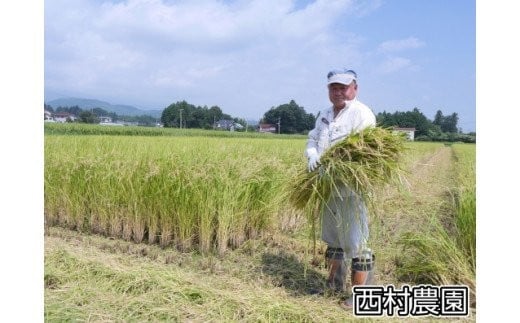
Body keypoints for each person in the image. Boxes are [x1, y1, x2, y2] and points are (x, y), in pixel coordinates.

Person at [305, 69, 376, 308]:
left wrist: (338, 165)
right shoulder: (324, 114)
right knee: (333, 238)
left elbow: (365, 151)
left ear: (354, 88)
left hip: (351, 189)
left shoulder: (361, 114)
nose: (338, 92)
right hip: (327, 188)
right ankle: (334, 286)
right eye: (333, 88)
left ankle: (361, 296)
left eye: (343, 87)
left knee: (357, 241)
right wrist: (312, 152)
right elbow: (314, 139)